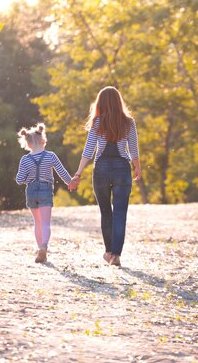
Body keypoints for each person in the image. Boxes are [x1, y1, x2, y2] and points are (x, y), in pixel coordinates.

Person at [69, 86, 141, 267]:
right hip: (122, 169)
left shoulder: (97, 122)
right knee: (120, 213)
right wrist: (137, 168)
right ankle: (116, 255)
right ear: (119, 101)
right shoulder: (129, 122)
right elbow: (133, 149)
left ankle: (108, 251)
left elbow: (88, 150)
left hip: (101, 169)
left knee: (105, 212)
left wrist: (78, 173)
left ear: (100, 102)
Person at [16, 123, 73, 264]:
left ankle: (39, 249)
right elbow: (62, 172)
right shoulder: (50, 156)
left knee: (37, 222)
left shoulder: (25, 159)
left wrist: (28, 178)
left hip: (31, 191)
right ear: (43, 141)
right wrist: (70, 182)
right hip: (46, 189)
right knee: (46, 223)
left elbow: (19, 179)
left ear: (28, 145)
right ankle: (43, 248)